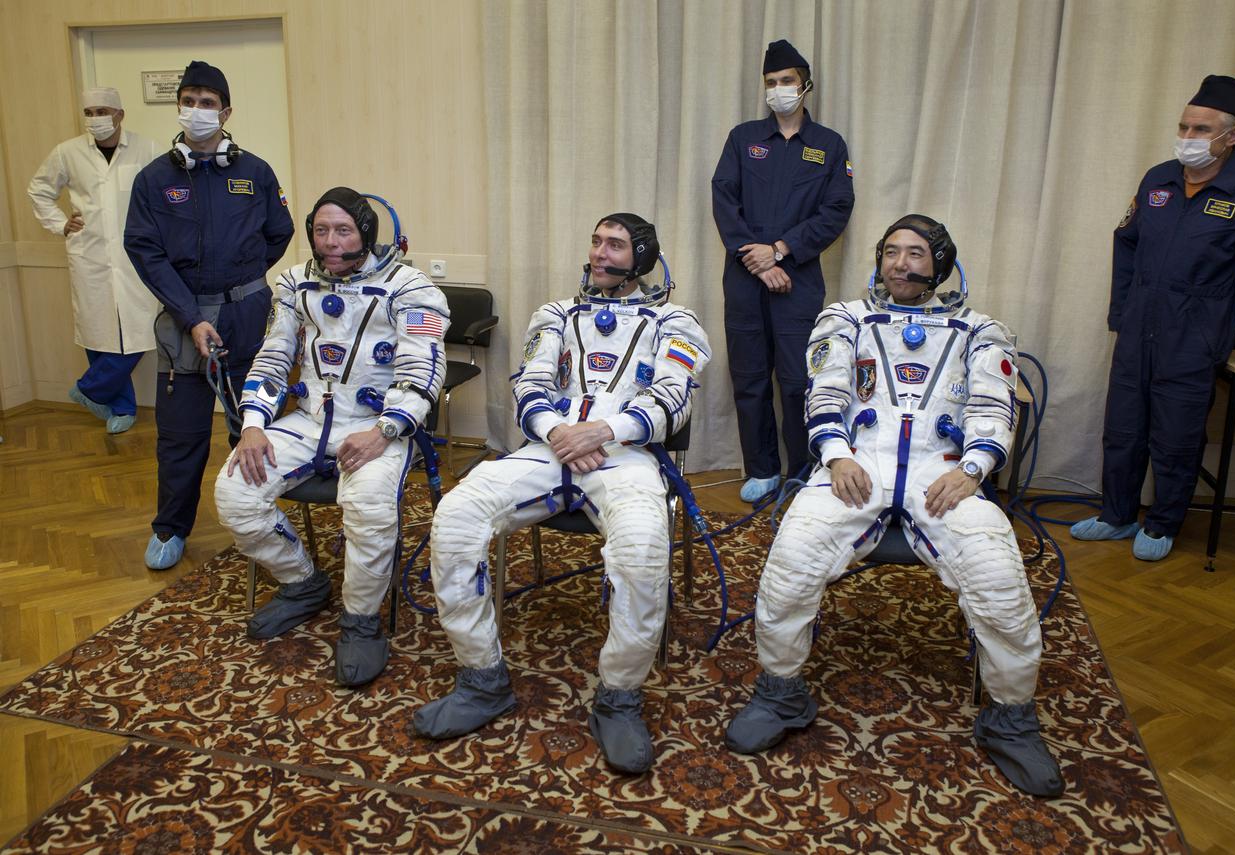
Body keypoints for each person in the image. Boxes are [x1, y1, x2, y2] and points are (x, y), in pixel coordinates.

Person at [724, 215, 1065, 798]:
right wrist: (835, 455)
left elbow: (992, 408)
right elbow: (823, 392)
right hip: (858, 465)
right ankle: (781, 693)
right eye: (891, 253)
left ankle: (1010, 719)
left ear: (941, 263)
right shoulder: (844, 318)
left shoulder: (981, 330)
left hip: (945, 472)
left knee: (1000, 581)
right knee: (788, 567)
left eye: (915, 254)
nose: (901, 264)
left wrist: (973, 469)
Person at [414, 214, 711, 774]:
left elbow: (675, 398)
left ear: (642, 257)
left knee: (645, 549)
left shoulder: (677, 322)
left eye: (616, 245)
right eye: (597, 242)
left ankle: (619, 697)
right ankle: (482, 680)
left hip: (626, 456)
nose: (601, 254)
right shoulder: (555, 314)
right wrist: (558, 433)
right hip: (547, 450)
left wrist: (603, 431)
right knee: (455, 516)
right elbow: (529, 384)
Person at [214, 188, 449, 687]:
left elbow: (424, 370)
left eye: (343, 230)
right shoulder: (294, 284)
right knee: (234, 491)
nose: (330, 243)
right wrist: (253, 425)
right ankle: (304, 584)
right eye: (321, 231)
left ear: (366, 233)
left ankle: (361, 621)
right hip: (307, 420)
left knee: (367, 508)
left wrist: (385, 430)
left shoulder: (411, 288)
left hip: (376, 427)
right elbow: (273, 357)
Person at [1071, 75, 1235, 561]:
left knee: (1175, 434)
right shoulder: (1158, 178)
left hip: (1195, 332)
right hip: (1139, 323)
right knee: (1123, 428)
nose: (1188, 137)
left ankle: (1162, 524)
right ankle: (1117, 515)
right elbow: (1126, 242)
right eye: (1184, 126)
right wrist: (1122, 310)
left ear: (1232, 136)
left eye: (1202, 129)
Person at [125, 60, 294, 571]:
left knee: (253, 422)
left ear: (225, 111)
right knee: (180, 434)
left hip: (247, 316)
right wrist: (191, 311)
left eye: (208, 101)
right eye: (190, 100)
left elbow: (279, 232)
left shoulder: (255, 172)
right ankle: (170, 528)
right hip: (184, 321)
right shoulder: (154, 179)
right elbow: (144, 250)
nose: (198, 110)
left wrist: (239, 287)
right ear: (179, 106)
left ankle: (259, 518)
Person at [711, 38, 855, 503]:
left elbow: (836, 209)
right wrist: (755, 258)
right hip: (744, 279)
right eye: (771, 82)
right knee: (750, 380)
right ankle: (762, 470)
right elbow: (724, 198)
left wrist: (780, 250)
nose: (779, 89)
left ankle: (803, 471)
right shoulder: (743, 138)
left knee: (797, 383)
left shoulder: (828, 145)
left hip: (798, 281)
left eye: (787, 81)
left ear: (805, 85)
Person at [28, 87, 161, 434]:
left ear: (119, 114)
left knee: (142, 330)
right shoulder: (67, 153)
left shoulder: (147, 149)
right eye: (89, 112)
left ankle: (89, 389)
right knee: (98, 333)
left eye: (102, 111)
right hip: (90, 256)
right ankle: (122, 408)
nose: (95, 119)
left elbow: (165, 197)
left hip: (136, 258)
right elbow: (39, 190)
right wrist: (60, 223)